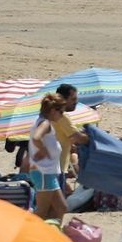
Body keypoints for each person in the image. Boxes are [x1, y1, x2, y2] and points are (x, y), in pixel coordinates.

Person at [29, 94, 84, 222]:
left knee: (61, 207)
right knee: (42, 211)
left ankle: (52, 234)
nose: (62, 115)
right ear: (53, 111)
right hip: (43, 172)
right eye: (61, 112)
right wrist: (43, 150)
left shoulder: (43, 122)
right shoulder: (45, 123)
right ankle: (23, 233)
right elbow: (36, 138)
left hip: (48, 173)